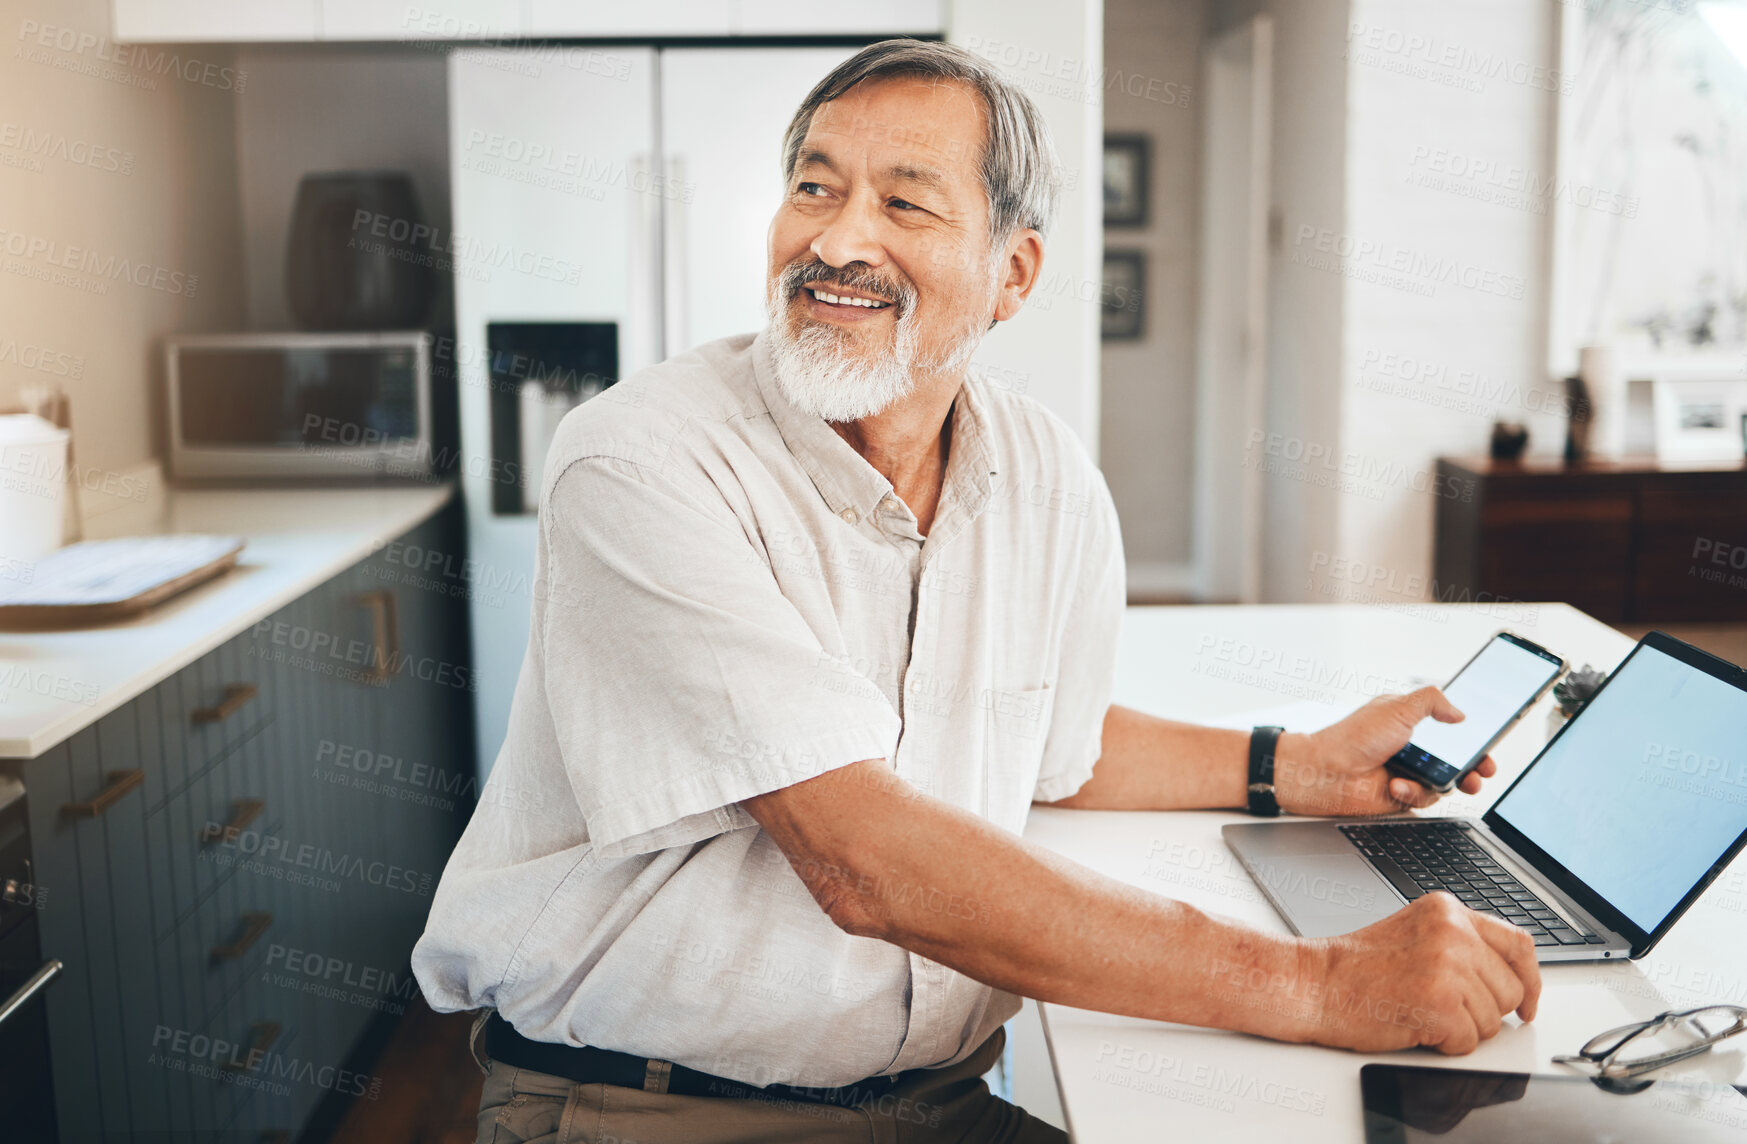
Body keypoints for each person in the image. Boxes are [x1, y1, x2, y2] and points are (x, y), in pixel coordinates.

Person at [412, 38, 1541, 1144]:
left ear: (1014, 273)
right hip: (653, 1103)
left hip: (935, 1100)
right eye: (814, 187)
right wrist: (1317, 986)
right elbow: (864, 858)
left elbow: (1048, 735)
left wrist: (1294, 764)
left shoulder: (1043, 476)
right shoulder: (640, 461)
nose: (837, 238)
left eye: (906, 204)